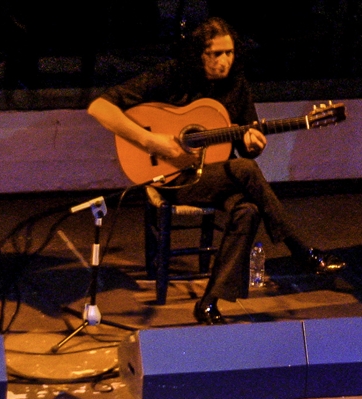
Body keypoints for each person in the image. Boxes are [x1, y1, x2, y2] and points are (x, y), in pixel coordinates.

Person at [87, 17, 345, 325]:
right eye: (216, 54)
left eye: (230, 53)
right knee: (246, 170)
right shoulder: (172, 75)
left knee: (248, 209)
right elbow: (99, 107)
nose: (225, 61)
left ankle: (208, 302)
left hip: (217, 176)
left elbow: (249, 142)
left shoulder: (237, 85)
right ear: (199, 53)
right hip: (174, 177)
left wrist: (253, 143)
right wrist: (151, 140)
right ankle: (301, 250)